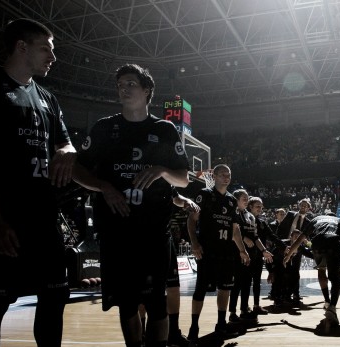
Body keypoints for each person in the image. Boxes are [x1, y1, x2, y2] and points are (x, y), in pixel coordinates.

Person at [73, 63, 190, 347]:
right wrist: (104, 186)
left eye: (130, 84)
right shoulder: (104, 127)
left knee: (156, 304)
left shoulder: (164, 130)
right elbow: (77, 170)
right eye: (120, 85)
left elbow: (184, 179)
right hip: (116, 232)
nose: (124, 89)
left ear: (147, 90)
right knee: (127, 305)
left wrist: (162, 169)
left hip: (152, 232)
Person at [0, 18, 76, 347]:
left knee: (55, 299)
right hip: (4, 218)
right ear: (22, 47)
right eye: (46, 48)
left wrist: (67, 152)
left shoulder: (48, 98)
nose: (53, 56)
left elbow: (66, 142)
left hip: (44, 219)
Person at [186, 164, 250, 339]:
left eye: (228, 174)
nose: (226, 177)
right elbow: (191, 220)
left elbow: (235, 230)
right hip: (207, 250)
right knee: (200, 290)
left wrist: (242, 250)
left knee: (225, 288)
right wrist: (194, 243)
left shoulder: (231, 201)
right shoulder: (204, 195)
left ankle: (221, 324)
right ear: (213, 176)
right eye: (222, 174)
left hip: (226, 252)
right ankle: (194, 327)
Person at [283, 212, 340, 330]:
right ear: (334, 216)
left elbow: (301, 238)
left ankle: (326, 300)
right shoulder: (339, 221)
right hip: (333, 243)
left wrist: (289, 254)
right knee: (336, 280)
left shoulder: (316, 219)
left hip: (317, 244)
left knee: (321, 270)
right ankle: (332, 307)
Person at [139, 191, 199, 347]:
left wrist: (186, 201)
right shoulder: (134, 174)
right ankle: (141, 334)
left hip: (164, 237)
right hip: (140, 237)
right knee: (142, 290)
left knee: (174, 287)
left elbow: (176, 197)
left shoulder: (162, 176)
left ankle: (173, 332)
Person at [228, 189, 273, 323]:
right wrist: (243, 238)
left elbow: (256, 237)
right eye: (244, 198)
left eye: (247, 197)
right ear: (236, 199)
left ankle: (244, 310)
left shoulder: (250, 216)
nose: (247, 200)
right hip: (236, 253)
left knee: (247, 283)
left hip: (250, 255)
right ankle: (232, 313)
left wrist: (264, 250)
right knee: (236, 285)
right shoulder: (232, 213)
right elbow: (231, 232)